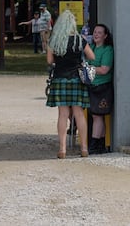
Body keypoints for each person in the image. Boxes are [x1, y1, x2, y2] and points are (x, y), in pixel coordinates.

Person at [45, 10, 89, 159]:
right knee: (79, 114)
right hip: (76, 78)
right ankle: (84, 148)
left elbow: (49, 61)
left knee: (63, 114)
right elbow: (92, 56)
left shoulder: (54, 40)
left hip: (59, 78)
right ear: (72, 24)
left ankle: (62, 149)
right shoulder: (79, 40)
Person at [86, 23, 114, 154]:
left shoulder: (107, 50)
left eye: (99, 32)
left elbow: (104, 69)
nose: (96, 34)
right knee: (97, 116)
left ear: (105, 36)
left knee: (97, 116)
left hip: (102, 87)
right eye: (95, 32)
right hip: (91, 85)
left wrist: (88, 69)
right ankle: (101, 145)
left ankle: (93, 145)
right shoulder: (91, 47)